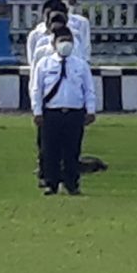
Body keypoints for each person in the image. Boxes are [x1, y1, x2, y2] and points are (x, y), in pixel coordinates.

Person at [29, 27, 98, 196]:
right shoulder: (44, 64)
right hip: (52, 112)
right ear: (53, 43)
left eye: (68, 40)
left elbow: (89, 89)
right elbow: (36, 89)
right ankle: (51, 183)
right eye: (61, 41)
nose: (65, 44)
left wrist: (91, 110)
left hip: (74, 112)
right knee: (50, 149)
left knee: (72, 149)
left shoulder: (80, 65)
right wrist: (37, 111)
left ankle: (71, 183)